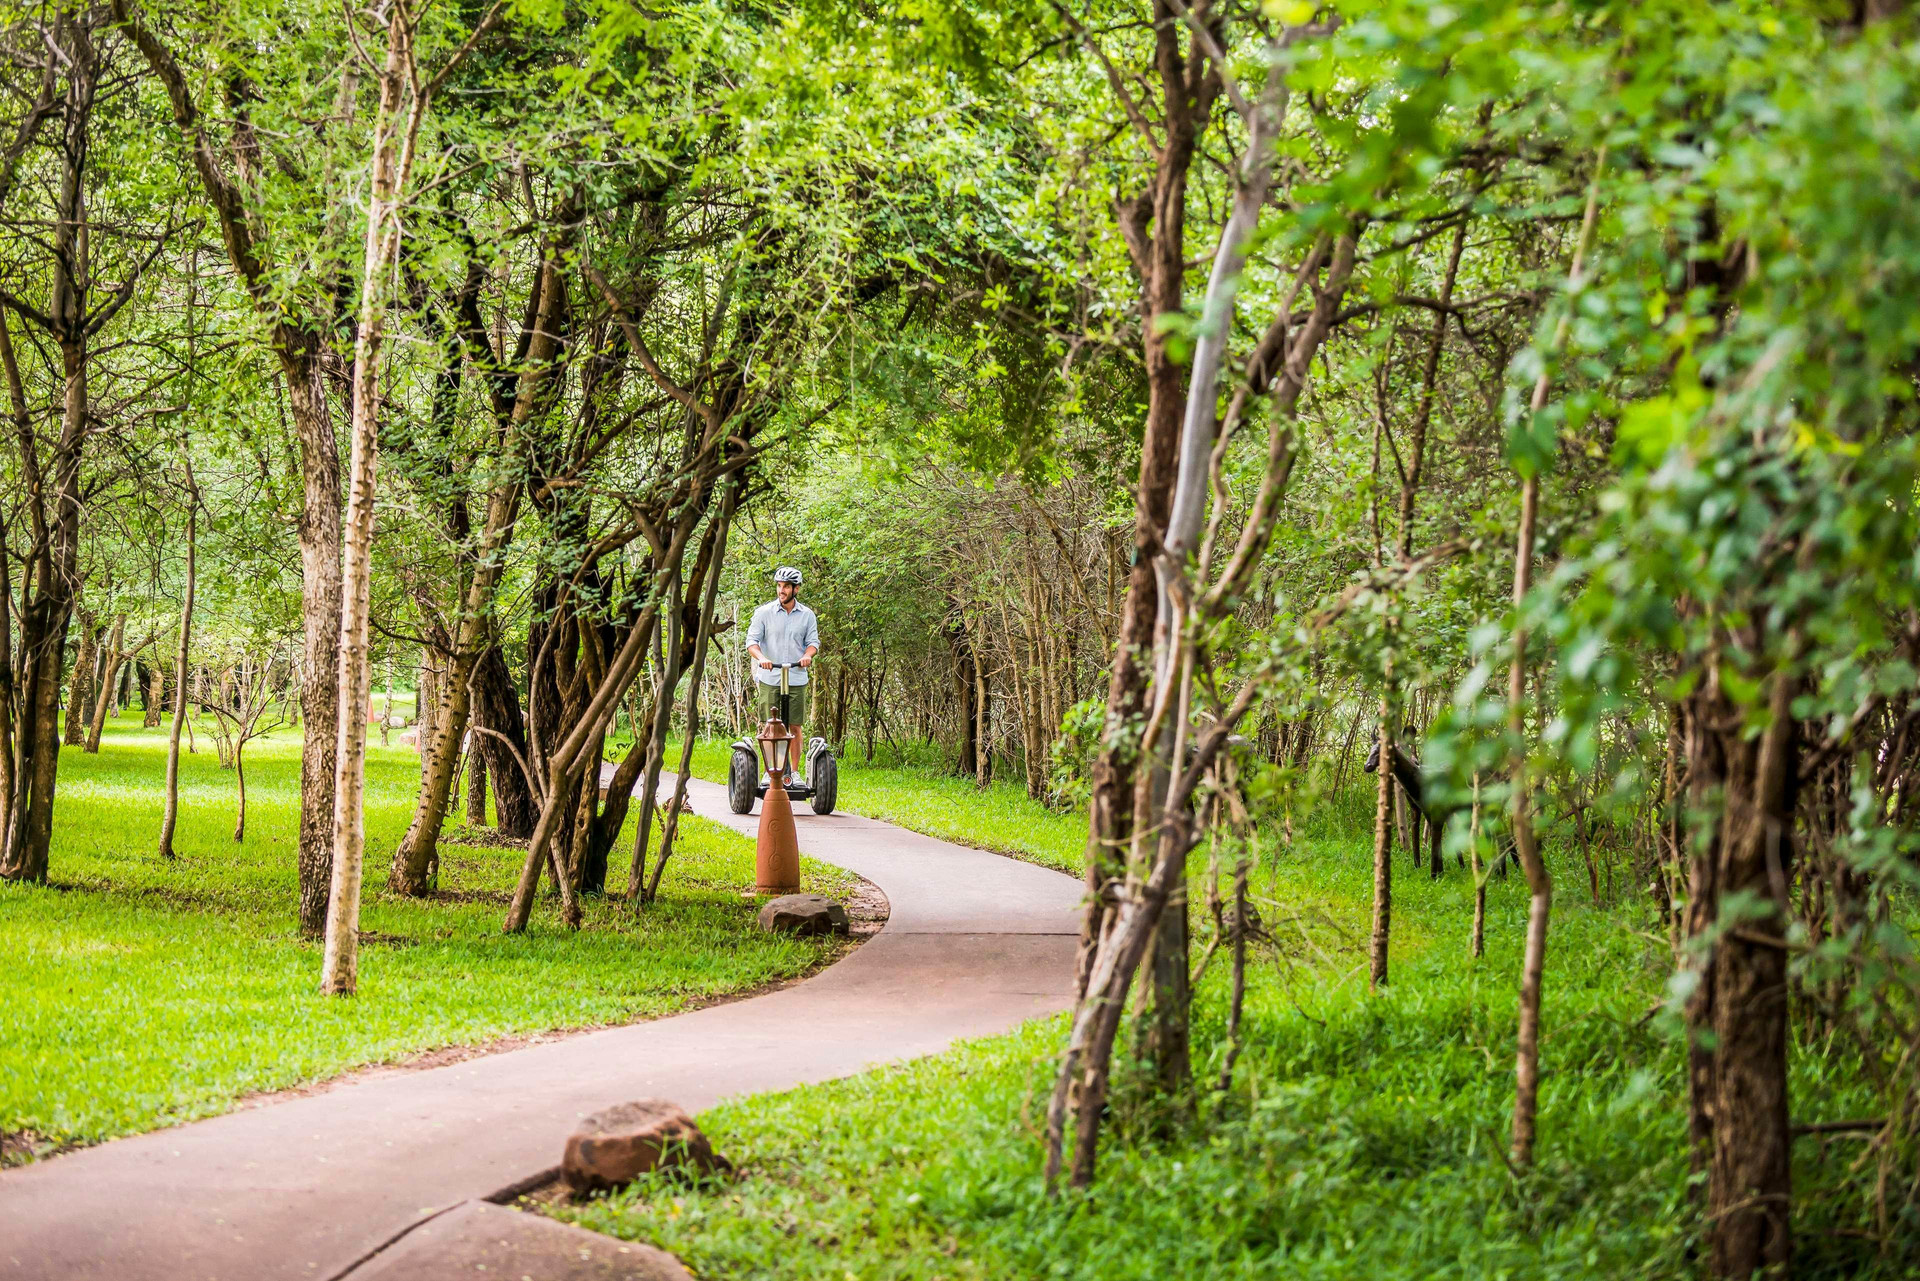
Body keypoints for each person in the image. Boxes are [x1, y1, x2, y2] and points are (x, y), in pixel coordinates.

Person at [745, 566, 819, 778]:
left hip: (796, 677)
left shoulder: (807, 616)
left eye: (786, 586)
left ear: (796, 589)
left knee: (794, 726)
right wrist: (762, 658)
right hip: (770, 677)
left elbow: (813, 642)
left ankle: (793, 772)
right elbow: (752, 642)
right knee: (771, 726)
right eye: (779, 586)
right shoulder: (764, 613)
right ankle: (771, 772)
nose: (781, 590)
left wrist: (807, 655)